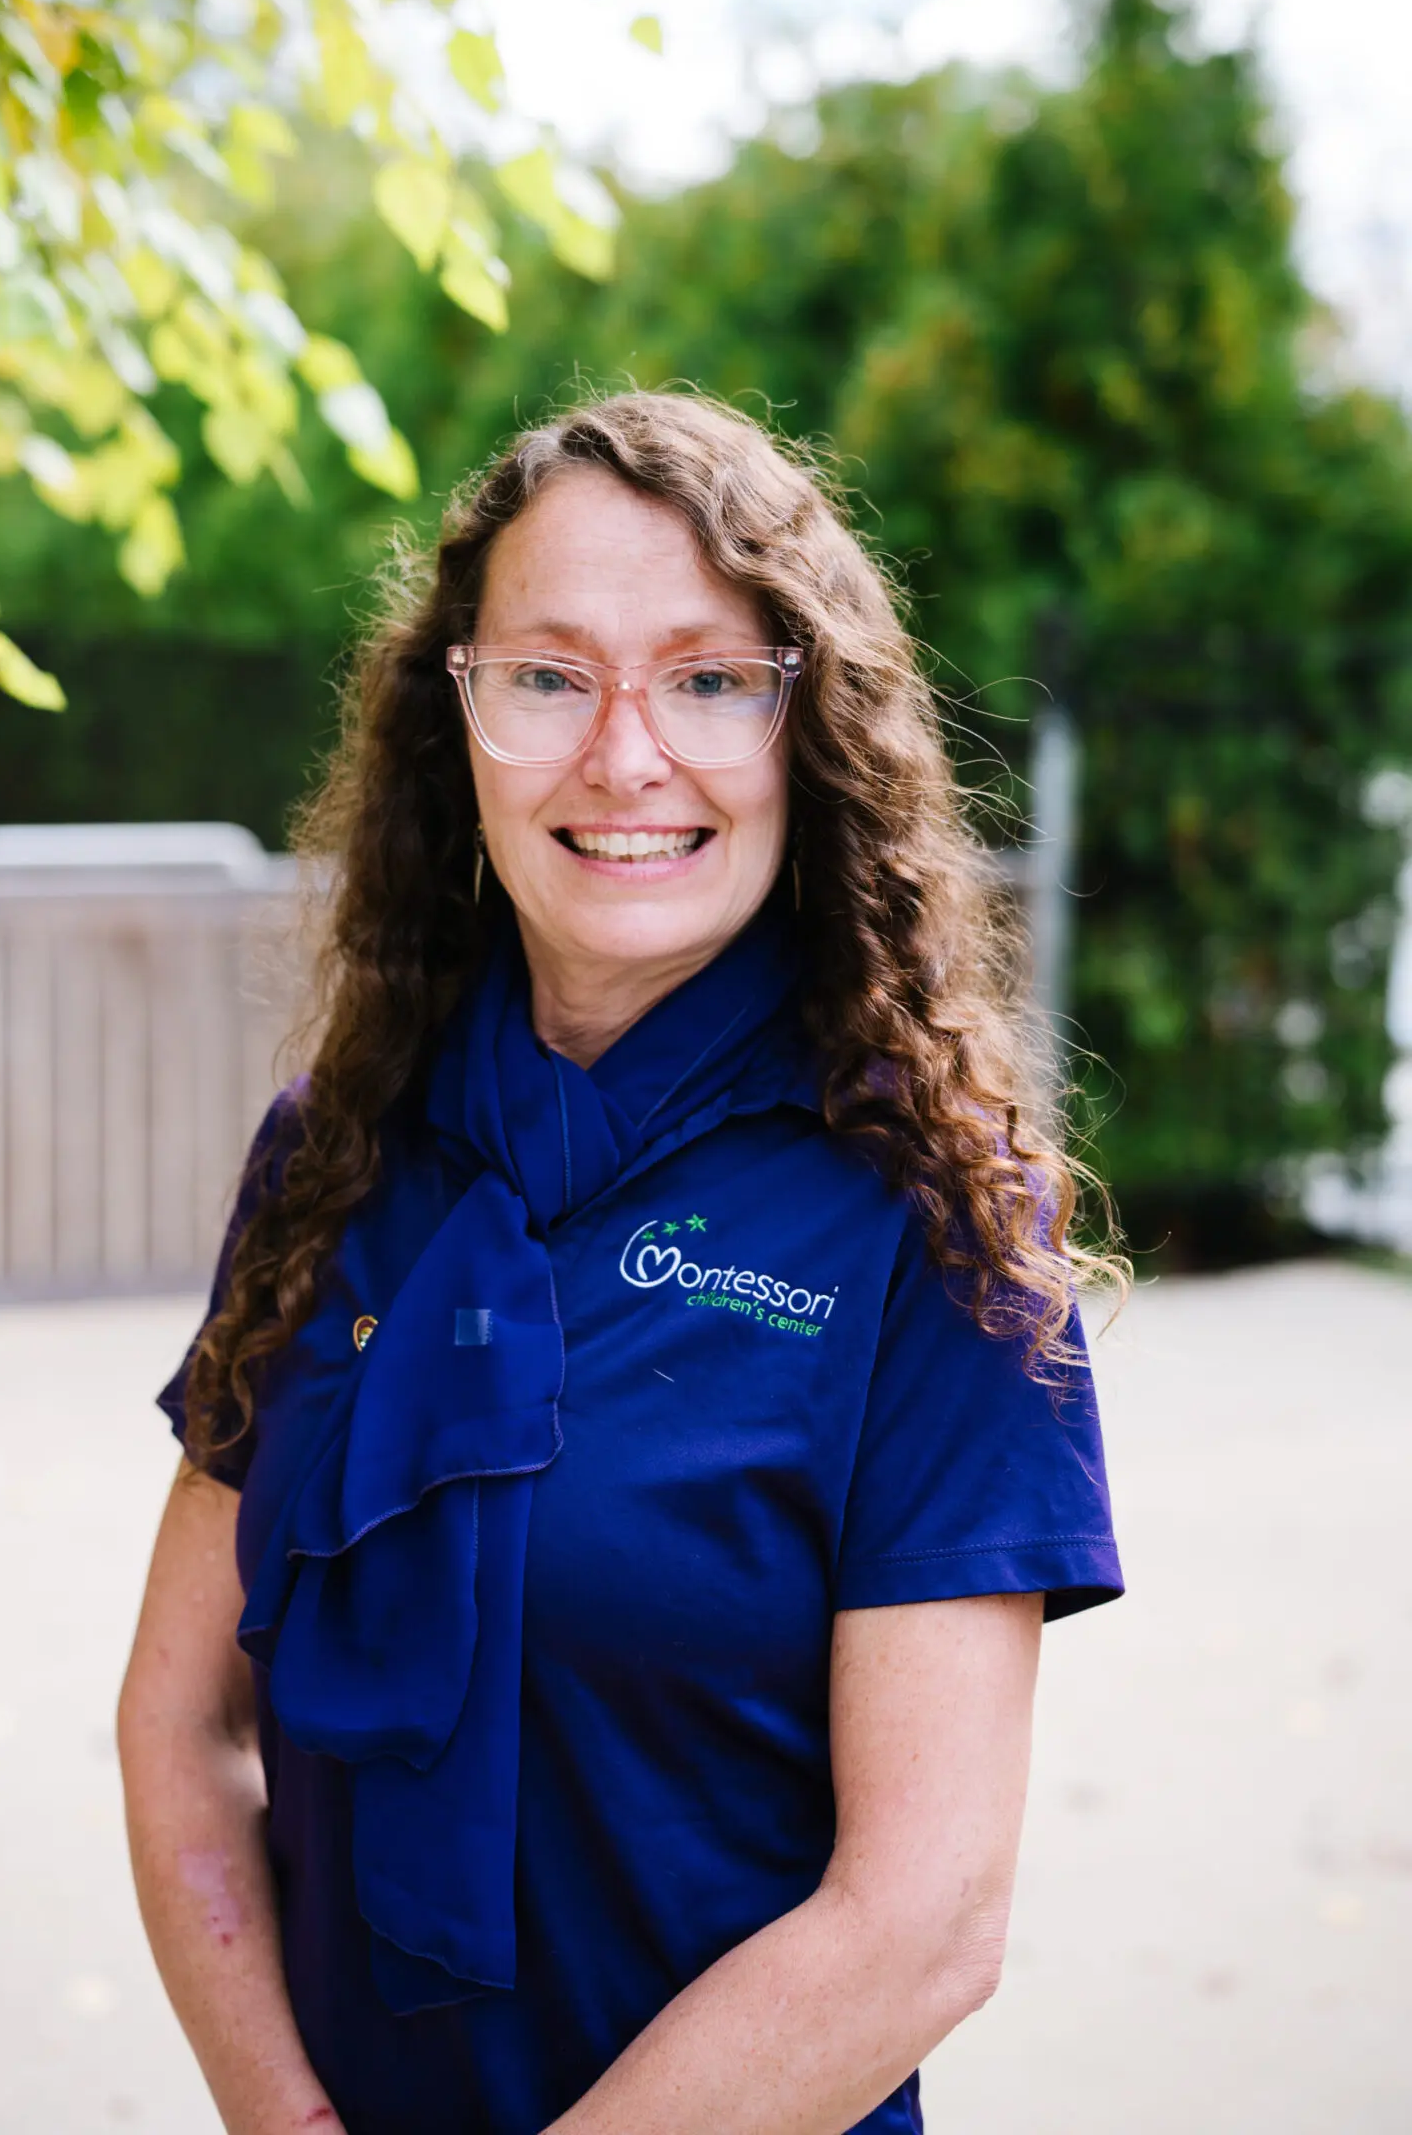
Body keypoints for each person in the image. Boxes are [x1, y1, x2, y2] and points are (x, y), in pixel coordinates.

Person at [118, 389, 1124, 2135]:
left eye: (709, 678)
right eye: (548, 674)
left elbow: (922, 1923)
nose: (625, 754)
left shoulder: (933, 1218)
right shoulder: (333, 1150)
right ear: (461, 721)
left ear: (805, 729)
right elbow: (180, 1725)